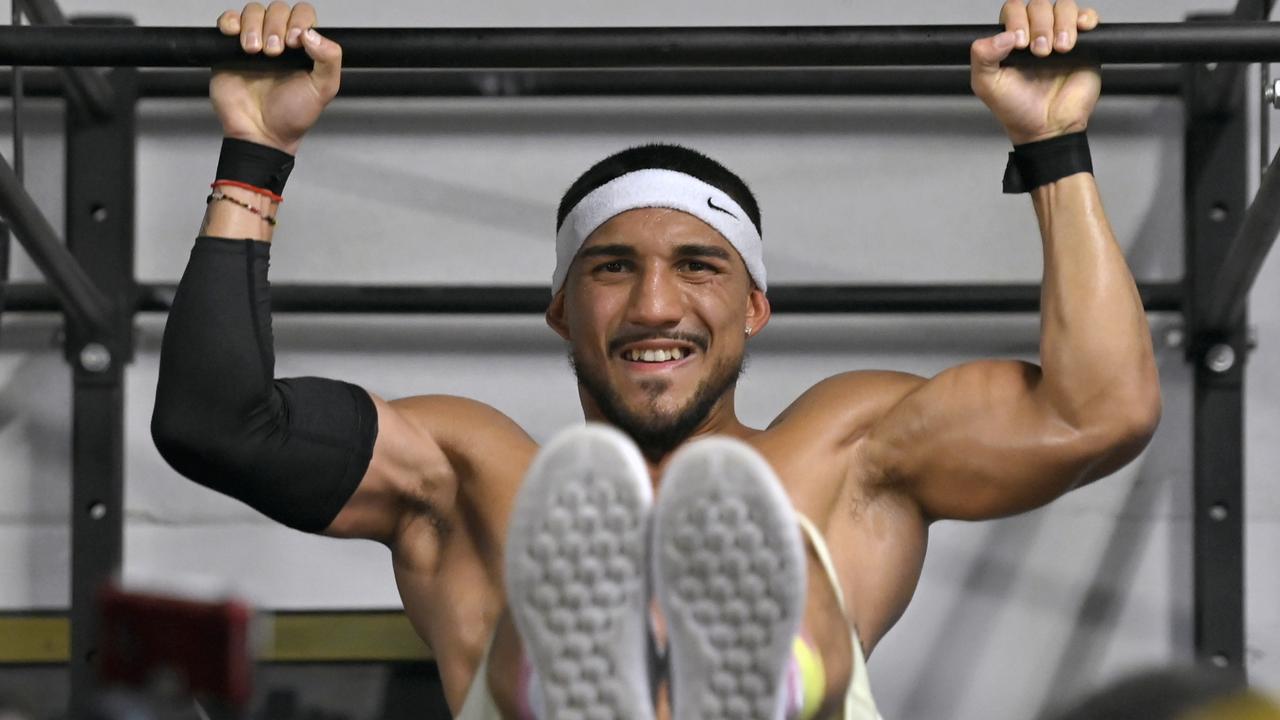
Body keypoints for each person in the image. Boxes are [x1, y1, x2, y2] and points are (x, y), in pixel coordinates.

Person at [150, 1, 1160, 718]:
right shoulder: (469, 476)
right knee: (543, 528)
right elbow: (219, 425)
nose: (653, 304)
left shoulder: (845, 454)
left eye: (697, 266)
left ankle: (688, 676)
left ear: (756, 306)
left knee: (774, 520)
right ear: (557, 311)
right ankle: (636, 676)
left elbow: (1097, 412)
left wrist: (1054, 144)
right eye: (611, 268)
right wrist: (253, 151)